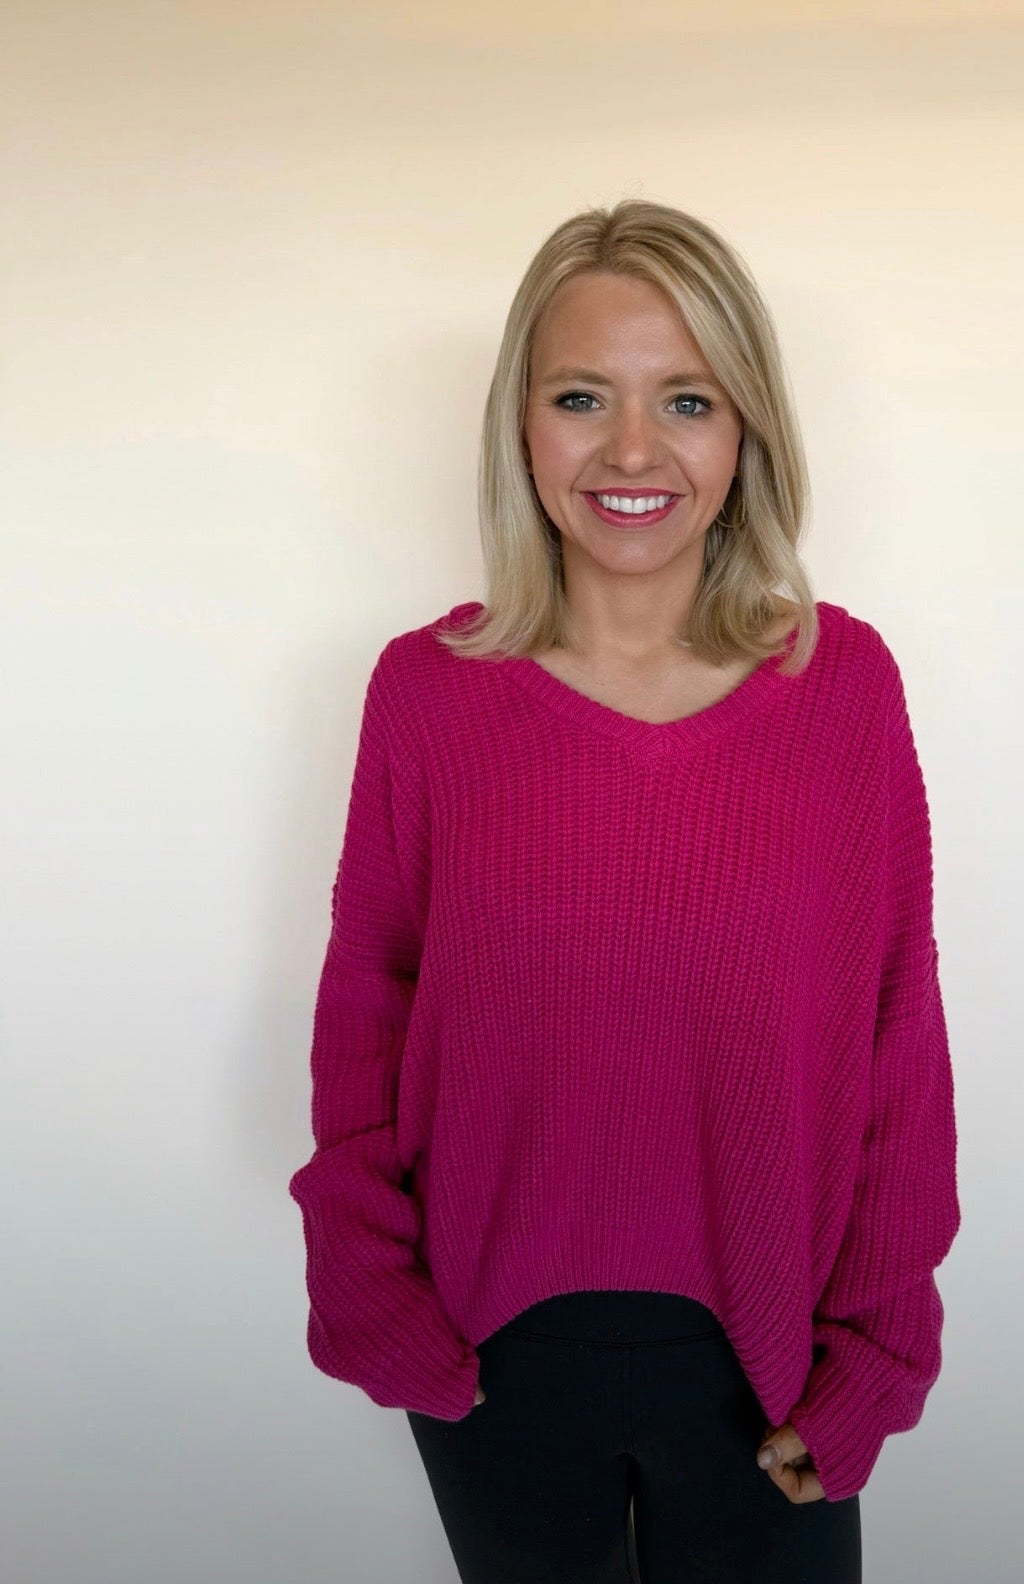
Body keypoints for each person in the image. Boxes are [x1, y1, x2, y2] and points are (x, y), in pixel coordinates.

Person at [287, 199, 960, 1583]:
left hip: (770, 1354)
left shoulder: (838, 691)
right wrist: (368, 1283)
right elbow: (369, 998)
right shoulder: (428, 697)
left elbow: (897, 1028)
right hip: (493, 1359)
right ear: (520, 427)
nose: (634, 451)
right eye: (582, 396)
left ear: (746, 431)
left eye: (688, 400)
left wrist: (878, 1351)